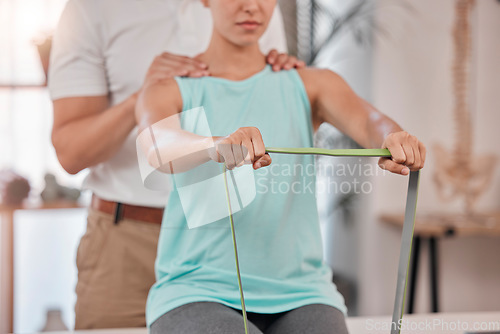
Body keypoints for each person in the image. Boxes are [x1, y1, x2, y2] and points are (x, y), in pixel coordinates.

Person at [135, 0, 426, 333]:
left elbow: (368, 119)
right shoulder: (169, 88)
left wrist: (393, 136)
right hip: (196, 291)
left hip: (303, 293)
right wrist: (214, 146)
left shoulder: (309, 83)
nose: (251, 7)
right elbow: (157, 146)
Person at [48, 0, 303, 329]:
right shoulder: (91, 8)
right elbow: (71, 153)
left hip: (227, 238)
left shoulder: (250, 6)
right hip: (127, 242)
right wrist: (142, 97)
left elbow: (264, 101)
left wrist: (288, 79)